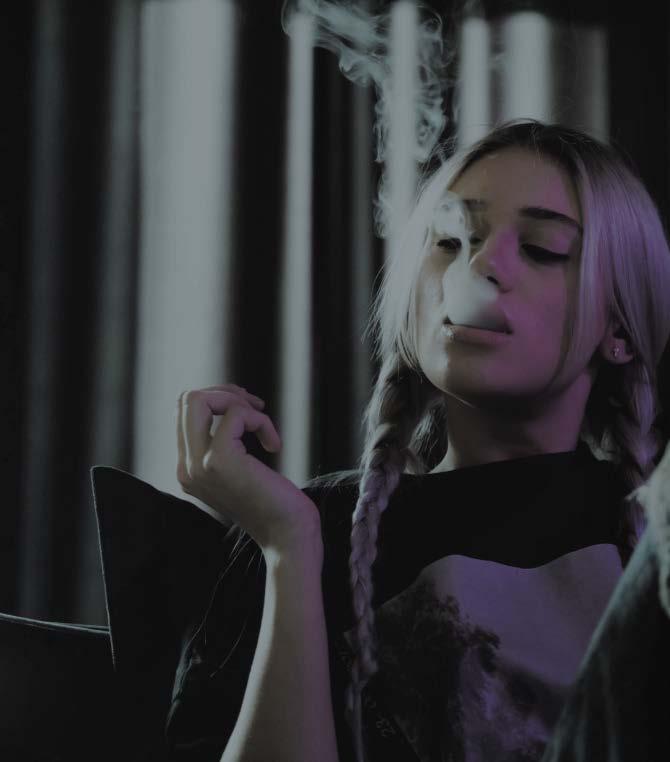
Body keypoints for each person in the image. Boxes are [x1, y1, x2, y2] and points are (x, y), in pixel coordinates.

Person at [91, 119, 670, 762]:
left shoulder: (654, 540)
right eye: (449, 239)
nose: (480, 265)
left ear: (619, 329)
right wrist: (288, 549)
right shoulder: (310, 528)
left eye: (540, 249)